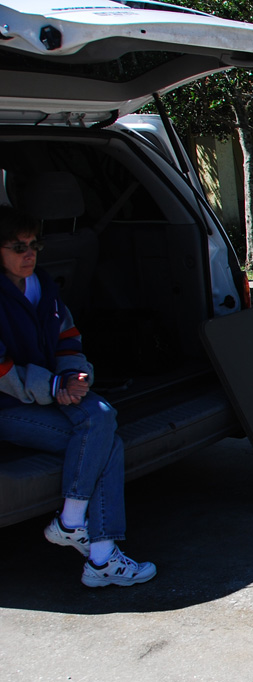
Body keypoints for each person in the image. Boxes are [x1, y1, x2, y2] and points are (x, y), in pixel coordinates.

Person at [0, 206, 156, 587]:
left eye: (33, 244)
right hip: (8, 405)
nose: (28, 253)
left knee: (101, 422)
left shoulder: (43, 287)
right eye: (17, 246)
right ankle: (96, 553)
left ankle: (79, 530)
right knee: (106, 439)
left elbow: (68, 338)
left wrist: (73, 374)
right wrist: (54, 387)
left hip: (47, 394)